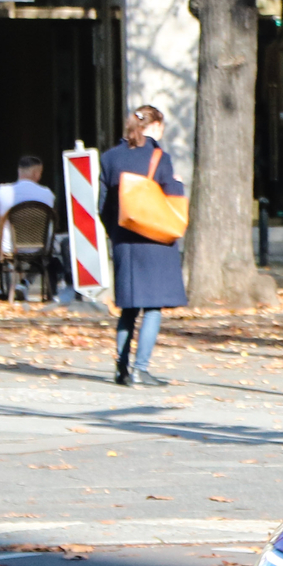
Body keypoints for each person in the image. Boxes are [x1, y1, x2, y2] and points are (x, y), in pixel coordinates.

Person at [101, 104, 187, 386]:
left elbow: (102, 205)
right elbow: (170, 197)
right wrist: (177, 184)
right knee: (152, 308)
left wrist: (115, 232)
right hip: (154, 242)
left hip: (124, 242)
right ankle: (141, 367)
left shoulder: (110, 158)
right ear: (155, 127)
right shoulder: (160, 157)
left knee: (128, 307)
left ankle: (122, 369)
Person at [0, 154, 56, 296]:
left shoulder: (2, 191)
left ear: (19, 171)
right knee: (49, 245)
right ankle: (24, 283)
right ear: (36, 173)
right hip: (38, 247)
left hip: (9, 247)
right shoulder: (48, 194)